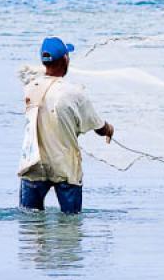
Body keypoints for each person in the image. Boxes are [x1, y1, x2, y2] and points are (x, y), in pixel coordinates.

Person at [18, 37, 114, 214]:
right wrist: (109, 129)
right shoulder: (75, 92)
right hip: (65, 168)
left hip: (33, 164)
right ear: (64, 60)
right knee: (71, 224)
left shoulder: (31, 88)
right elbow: (99, 127)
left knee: (30, 222)